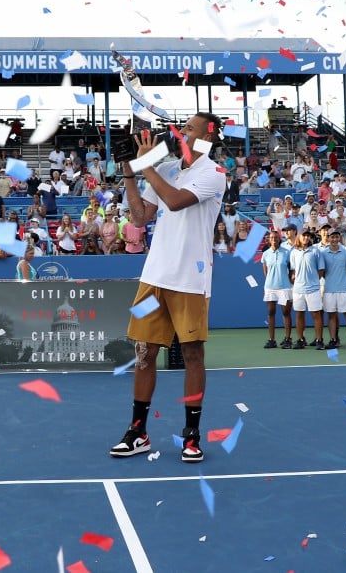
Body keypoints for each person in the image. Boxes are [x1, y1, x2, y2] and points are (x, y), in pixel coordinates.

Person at [108, 113, 225, 464]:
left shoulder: (213, 174)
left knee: (192, 355)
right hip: (154, 277)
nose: (181, 131)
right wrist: (131, 170)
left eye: (188, 127)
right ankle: (138, 431)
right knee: (143, 354)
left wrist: (146, 166)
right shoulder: (169, 168)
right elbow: (141, 216)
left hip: (190, 279)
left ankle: (191, 436)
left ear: (207, 134)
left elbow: (175, 202)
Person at [317, 228, 346, 350]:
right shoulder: (323, 253)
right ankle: (333, 339)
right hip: (329, 289)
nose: (334, 239)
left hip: (343, 288)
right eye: (332, 237)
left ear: (339, 238)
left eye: (336, 237)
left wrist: (344, 281)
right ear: (328, 238)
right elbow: (322, 271)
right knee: (332, 315)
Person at [260, 230, 293, 349]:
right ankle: (272, 339)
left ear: (279, 239)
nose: (273, 239)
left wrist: (287, 279)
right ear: (269, 240)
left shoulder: (287, 253)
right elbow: (265, 271)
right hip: (270, 287)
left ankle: (288, 339)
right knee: (271, 312)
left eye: (276, 237)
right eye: (271, 237)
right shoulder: (266, 254)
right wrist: (271, 280)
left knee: (286, 312)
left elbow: (291, 269)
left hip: (284, 287)